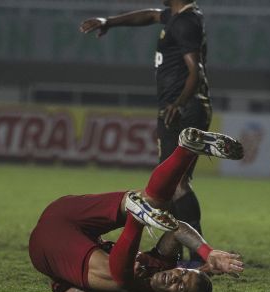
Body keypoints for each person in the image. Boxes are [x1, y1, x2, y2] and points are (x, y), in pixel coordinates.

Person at [29, 128, 244, 292]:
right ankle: (186, 150)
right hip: (69, 217)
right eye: (182, 274)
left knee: (122, 282)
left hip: (49, 246)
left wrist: (125, 281)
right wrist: (208, 253)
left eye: (180, 288)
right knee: (156, 205)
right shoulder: (161, 264)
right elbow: (176, 231)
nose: (174, 278)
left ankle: (138, 214)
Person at [80, 0, 211, 262]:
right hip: (178, 108)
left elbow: (194, 72)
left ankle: (196, 255)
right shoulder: (177, 16)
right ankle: (175, 253)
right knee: (170, 186)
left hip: (182, 110)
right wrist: (110, 22)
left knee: (177, 184)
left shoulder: (185, 22)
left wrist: (179, 104)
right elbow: (150, 15)